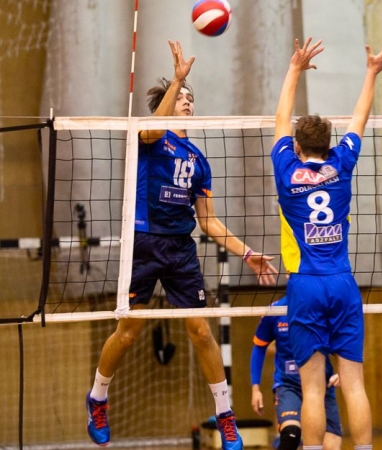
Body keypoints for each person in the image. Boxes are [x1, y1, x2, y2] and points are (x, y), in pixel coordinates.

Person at [85, 40, 278, 450]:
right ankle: (98, 397)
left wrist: (247, 253)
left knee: (201, 331)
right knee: (128, 332)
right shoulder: (148, 136)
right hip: (144, 242)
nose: (187, 101)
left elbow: (208, 221)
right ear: (167, 104)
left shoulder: (199, 161)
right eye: (180, 97)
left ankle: (225, 415)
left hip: (180, 250)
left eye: (190, 97)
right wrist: (176, 80)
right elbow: (154, 127)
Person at [270, 37, 382, 450]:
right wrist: (372, 72)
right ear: (329, 144)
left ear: (297, 146)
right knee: (354, 384)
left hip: (305, 284)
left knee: (311, 388)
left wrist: (294, 68)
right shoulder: (342, 164)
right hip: (343, 281)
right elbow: (360, 119)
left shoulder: (286, 169)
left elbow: (280, 119)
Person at [250, 297, 342, 450]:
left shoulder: (323, 307)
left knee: (330, 447)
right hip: (289, 385)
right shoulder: (275, 311)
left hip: (321, 386)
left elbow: (341, 344)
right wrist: (255, 388)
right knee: (291, 435)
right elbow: (260, 347)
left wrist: (342, 372)